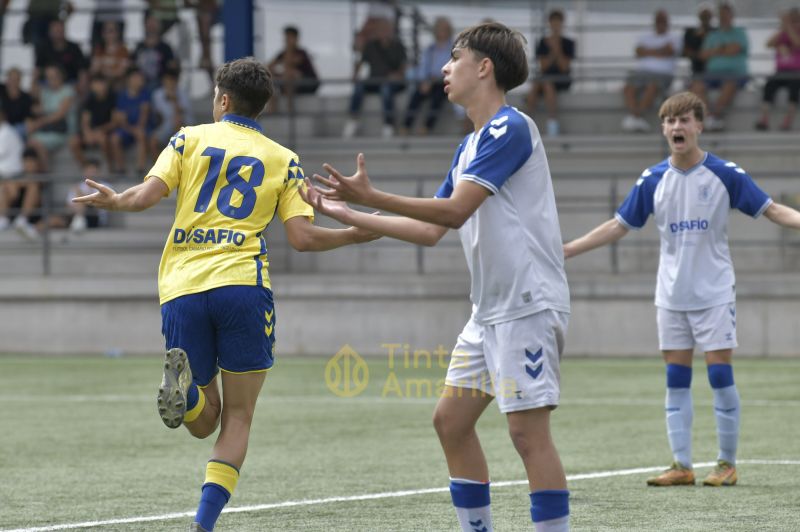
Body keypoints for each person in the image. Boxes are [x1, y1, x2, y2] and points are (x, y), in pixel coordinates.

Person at [72, 57, 378, 532]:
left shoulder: (189, 137)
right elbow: (303, 238)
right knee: (236, 418)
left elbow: (147, 195)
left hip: (182, 288)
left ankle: (189, 393)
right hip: (242, 287)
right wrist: (354, 235)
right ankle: (204, 523)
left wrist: (115, 200)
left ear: (224, 100)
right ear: (262, 108)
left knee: (202, 420)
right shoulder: (283, 158)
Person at [303, 22, 571, 532]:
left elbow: (451, 213)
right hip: (489, 311)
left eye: (454, 58)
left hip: (528, 304)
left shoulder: (510, 128)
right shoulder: (470, 144)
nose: (444, 69)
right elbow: (430, 231)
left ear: (484, 67)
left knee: (527, 436)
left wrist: (370, 197)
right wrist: (345, 213)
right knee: (450, 422)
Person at [563, 91, 800, 488]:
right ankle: (682, 465)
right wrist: (568, 249)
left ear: (699, 126)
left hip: (714, 294)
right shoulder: (653, 179)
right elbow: (618, 224)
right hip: (671, 296)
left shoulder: (726, 174)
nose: (677, 127)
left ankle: (726, 464)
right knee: (676, 379)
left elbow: (772, 209)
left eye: (685, 120)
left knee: (720, 376)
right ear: (663, 129)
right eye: (670, 121)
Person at [342, 17, 407, 139]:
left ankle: (388, 124)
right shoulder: (370, 45)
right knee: (359, 87)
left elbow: (404, 65)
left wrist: (397, 75)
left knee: (386, 90)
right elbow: (361, 62)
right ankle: (353, 119)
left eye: (386, 29)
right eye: (381, 29)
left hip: (391, 81)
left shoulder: (398, 46)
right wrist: (355, 75)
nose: (383, 32)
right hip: (375, 79)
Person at [621, 10, 681, 132]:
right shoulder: (645, 36)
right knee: (628, 87)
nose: (660, 23)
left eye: (663, 20)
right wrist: (659, 51)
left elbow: (669, 51)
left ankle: (635, 117)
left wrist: (648, 52)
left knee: (652, 86)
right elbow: (638, 52)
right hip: (642, 73)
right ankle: (636, 117)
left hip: (662, 74)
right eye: (658, 20)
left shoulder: (674, 37)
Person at [695, 2, 749, 131]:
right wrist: (723, 49)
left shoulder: (740, 33)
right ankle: (708, 118)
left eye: (726, 15)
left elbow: (734, 49)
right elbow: (702, 55)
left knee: (729, 84)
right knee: (696, 86)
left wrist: (715, 50)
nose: (723, 18)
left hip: (735, 73)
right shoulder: (713, 35)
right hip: (712, 73)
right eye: (721, 15)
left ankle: (715, 116)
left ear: (731, 16)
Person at [526, 9, 576, 137]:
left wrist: (557, 48)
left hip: (562, 79)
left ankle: (552, 123)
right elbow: (544, 66)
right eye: (553, 23)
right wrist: (552, 52)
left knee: (546, 83)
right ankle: (527, 123)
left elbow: (564, 67)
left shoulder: (568, 43)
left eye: (558, 23)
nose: (555, 26)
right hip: (546, 78)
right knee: (538, 83)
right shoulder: (543, 42)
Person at [400, 16, 453, 135]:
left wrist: (435, 79)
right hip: (428, 81)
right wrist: (425, 81)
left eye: (444, 29)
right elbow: (423, 67)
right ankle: (406, 125)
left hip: (443, 81)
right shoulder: (430, 49)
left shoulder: (452, 49)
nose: (441, 32)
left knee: (438, 97)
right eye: (439, 29)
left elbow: (450, 67)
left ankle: (427, 127)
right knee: (416, 95)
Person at [755, 8, 800, 132]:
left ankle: (787, 121)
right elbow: (768, 43)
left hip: (796, 73)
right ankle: (764, 119)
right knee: (768, 87)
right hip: (780, 72)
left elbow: (797, 43)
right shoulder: (782, 33)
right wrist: (783, 28)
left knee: (794, 91)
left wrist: (788, 26)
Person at [26, 64, 76, 172]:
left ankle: (44, 175)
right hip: (48, 129)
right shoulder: (46, 92)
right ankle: (36, 175)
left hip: (63, 131)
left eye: (54, 76)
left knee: (35, 141)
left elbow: (59, 114)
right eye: (48, 77)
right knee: (27, 135)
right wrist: (34, 78)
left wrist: (38, 123)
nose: (51, 80)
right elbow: (32, 96)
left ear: (61, 76)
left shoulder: (68, 91)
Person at [267, 25, 320, 112]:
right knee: (271, 77)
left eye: (289, 37)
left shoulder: (301, 53)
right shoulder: (282, 53)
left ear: (296, 38)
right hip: (292, 84)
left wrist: (288, 50)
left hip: (308, 84)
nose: (287, 40)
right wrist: (275, 73)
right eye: (286, 37)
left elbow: (290, 64)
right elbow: (268, 67)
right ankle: (272, 108)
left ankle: (289, 108)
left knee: (290, 73)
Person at [69, 73, 116, 170]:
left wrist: (99, 131)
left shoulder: (112, 98)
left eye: (100, 83)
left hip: (105, 130)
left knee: (102, 139)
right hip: (92, 131)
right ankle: (87, 167)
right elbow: (85, 121)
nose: (98, 87)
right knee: (73, 142)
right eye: (95, 84)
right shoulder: (89, 100)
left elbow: (114, 122)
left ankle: (109, 166)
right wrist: (88, 133)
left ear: (106, 84)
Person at [111, 68, 152, 174]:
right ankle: (120, 168)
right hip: (125, 127)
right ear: (129, 79)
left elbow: (144, 114)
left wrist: (137, 128)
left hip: (140, 127)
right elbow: (119, 117)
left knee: (141, 134)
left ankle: (140, 168)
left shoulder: (145, 94)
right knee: (115, 138)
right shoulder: (121, 96)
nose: (140, 80)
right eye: (136, 77)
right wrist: (129, 128)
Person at [33, 19, 88, 93]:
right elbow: (38, 69)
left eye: (60, 30)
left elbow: (82, 70)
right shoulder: (44, 48)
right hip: (48, 83)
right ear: (50, 32)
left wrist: (82, 85)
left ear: (64, 31)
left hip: (70, 83)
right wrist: (33, 84)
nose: (58, 33)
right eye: (55, 31)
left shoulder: (74, 48)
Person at [150, 68, 193, 159]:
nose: (169, 83)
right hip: (165, 124)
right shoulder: (157, 94)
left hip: (184, 123)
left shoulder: (183, 93)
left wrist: (174, 100)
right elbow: (157, 114)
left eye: (172, 80)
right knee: (153, 141)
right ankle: (159, 169)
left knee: (177, 121)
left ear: (176, 81)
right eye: (167, 80)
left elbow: (182, 113)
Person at [0, 148, 41, 239]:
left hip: (35, 214)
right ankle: (3, 219)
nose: (29, 165)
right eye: (26, 162)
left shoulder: (43, 176)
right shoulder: (18, 175)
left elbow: (35, 184)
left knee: (33, 187)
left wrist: (20, 184)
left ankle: (23, 220)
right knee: (5, 188)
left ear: (37, 163)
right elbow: (11, 190)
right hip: (16, 208)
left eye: (31, 162)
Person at [133, 14, 178, 91]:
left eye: (154, 22)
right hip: (140, 82)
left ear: (159, 26)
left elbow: (172, 67)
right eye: (149, 22)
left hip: (159, 83)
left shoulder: (165, 48)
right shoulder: (139, 46)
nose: (151, 26)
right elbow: (133, 64)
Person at [682, 4, 715, 95]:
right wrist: (700, 55)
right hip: (697, 71)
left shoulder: (716, 33)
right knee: (696, 87)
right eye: (703, 16)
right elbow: (685, 52)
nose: (705, 19)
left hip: (715, 71)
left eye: (707, 16)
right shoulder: (690, 32)